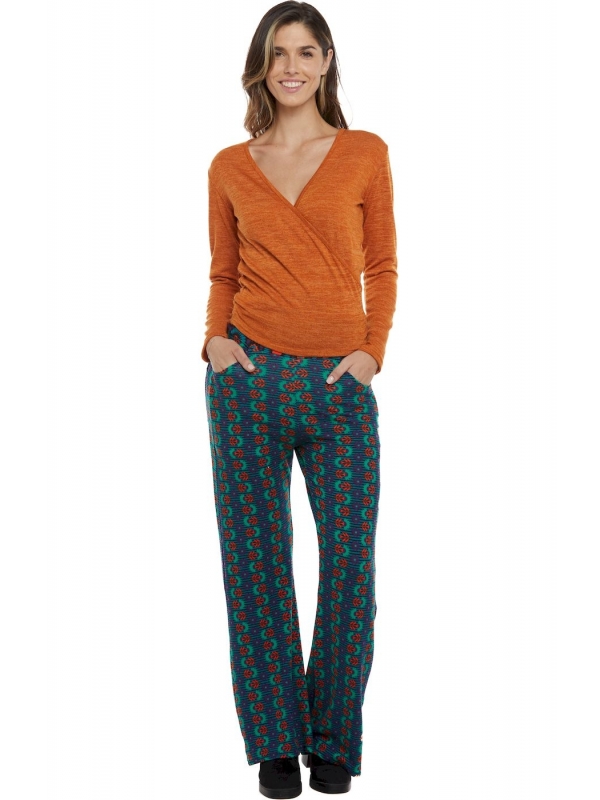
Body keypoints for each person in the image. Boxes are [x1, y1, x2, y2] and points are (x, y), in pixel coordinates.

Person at [201, 2, 397, 796]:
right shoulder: (228, 164)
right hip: (246, 379)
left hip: (338, 387)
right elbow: (223, 271)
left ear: (326, 64)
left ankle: (334, 739)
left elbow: (382, 265)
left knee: (349, 564)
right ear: (262, 65)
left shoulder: (364, 152)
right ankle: (277, 743)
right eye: (278, 52)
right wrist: (215, 343)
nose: (291, 66)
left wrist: (371, 353)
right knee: (255, 565)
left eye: (306, 52)